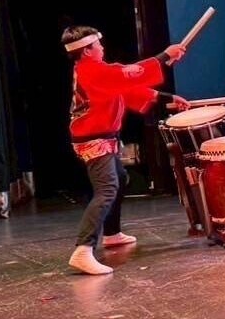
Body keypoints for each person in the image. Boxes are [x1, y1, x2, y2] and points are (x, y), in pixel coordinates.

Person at [63, 26, 190, 275]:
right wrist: (164, 57)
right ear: (87, 51)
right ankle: (82, 250)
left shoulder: (94, 72)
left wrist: (166, 99)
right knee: (107, 188)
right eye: (98, 45)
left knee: (119, 180)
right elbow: (128, 75)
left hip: (101, 136)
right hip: (93, 139)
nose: (102, 47)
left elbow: (125, 90)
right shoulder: (93, 70)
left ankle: (111, 234)